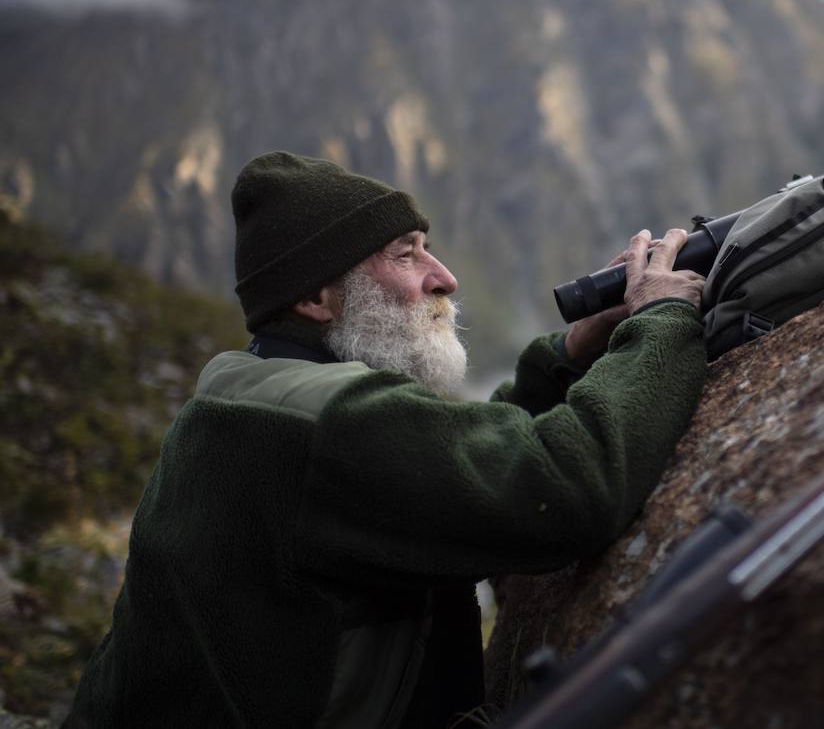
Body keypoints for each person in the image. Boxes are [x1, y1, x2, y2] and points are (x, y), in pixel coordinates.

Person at [67, 151, 708, 727]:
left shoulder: (243, 391)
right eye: (405, 254)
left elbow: (439, 471)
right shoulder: (329, 422)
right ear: (318, 296)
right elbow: (566, 487)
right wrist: (661, 321)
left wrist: (564, 357)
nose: (445, 276)